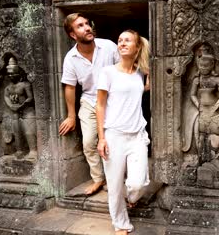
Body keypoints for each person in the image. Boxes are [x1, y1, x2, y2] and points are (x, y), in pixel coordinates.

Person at [96, 30, 150, 234]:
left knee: (138, 183)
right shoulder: (107, 72)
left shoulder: (140, 72)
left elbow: (143, 88)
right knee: (115, 185)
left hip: (137, 135)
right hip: (114, 135)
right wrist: (101, 138)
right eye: (120, 40)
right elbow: (99, 106)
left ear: (137, 47)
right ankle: (121, 224)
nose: (122, 43)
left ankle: (131, 199)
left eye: (127, 40)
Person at [59, 13, 119, 195]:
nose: (87, 28)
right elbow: (70, 87)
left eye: (87, 24)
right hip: (89, 101)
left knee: (114, 143)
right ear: (72, 34)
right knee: (88, 143)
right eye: (80, 26)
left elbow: (124, 69)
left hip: (113, 100)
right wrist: (71, 116)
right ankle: (98, 179)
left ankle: (116, 178)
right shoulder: (71, 58)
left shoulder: (108, 46)